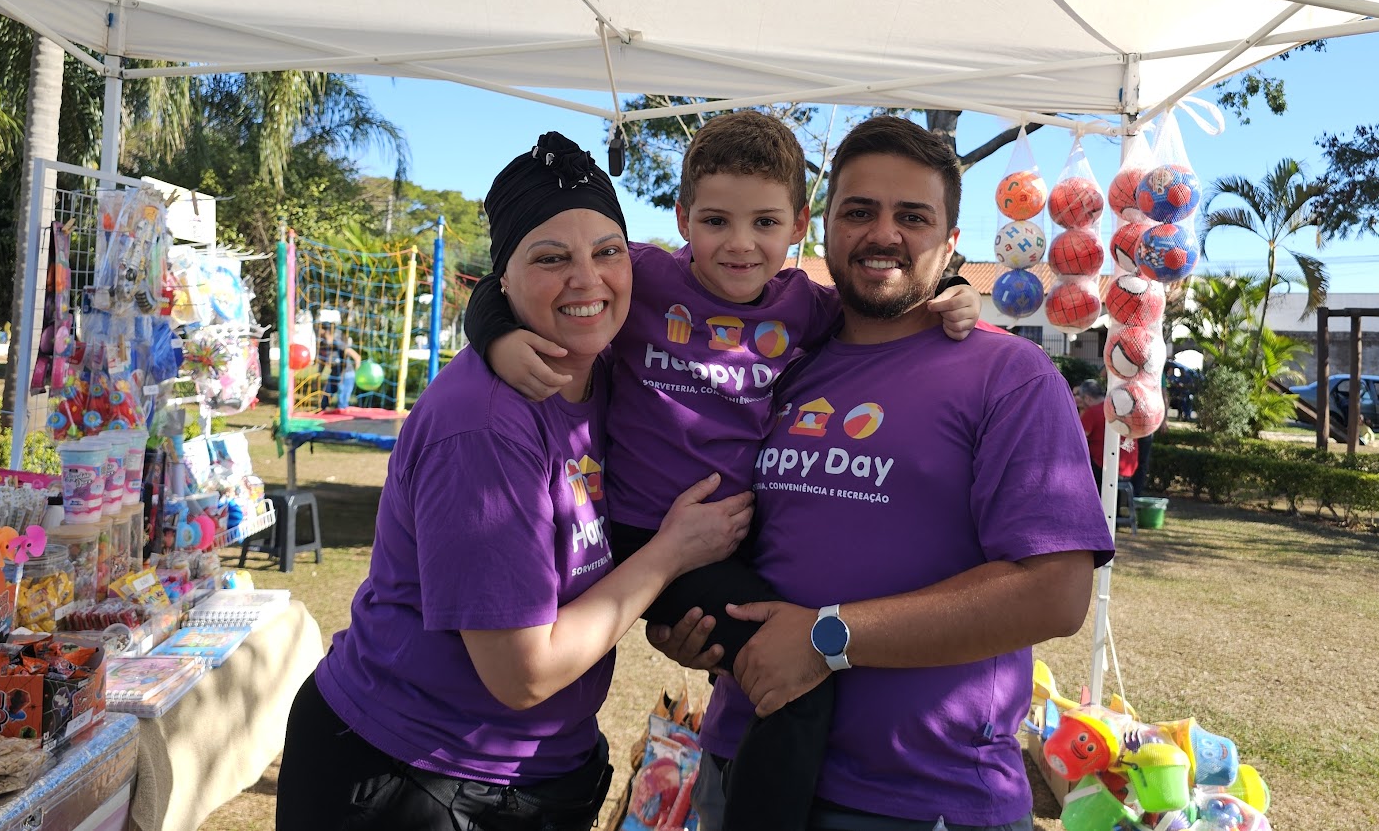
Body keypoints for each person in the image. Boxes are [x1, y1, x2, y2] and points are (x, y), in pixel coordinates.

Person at [464, 111, 984, 831]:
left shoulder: (806, 305)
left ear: (798, 225)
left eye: (765, 223)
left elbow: (889, 303)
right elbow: (509, 278)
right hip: (647, 537)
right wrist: (495, 337)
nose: (740, 245)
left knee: (779, 664)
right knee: (799, 683)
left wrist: (956, 288)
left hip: (730, 543)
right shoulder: (644, 276)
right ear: (682, 218)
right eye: (715, 221)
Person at [276, 134, 754, 831]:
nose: (587, 279)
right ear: (503, 281)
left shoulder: (610, 370)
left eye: (608, 251)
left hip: (532, 771)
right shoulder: (485, 426)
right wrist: (671, 555)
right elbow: (522, 672)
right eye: (551, 258)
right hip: (408, 774)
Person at [654, 115, 1114, 831]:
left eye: (913, 217)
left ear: (950, 242)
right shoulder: (780, 362)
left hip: (922, 796)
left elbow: (1055, 593)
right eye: (860, 211)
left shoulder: (1007, 374)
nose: (883, 234)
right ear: (823, 227)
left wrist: (826, 638)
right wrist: (696, 626)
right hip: (745, 759)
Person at [1078, 379, 1139, 494]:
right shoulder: (1121, 409)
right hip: (1128, 469)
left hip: (1104, 469)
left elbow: (1077, 439)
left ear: (1087, 398)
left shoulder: (1092, 412)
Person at [314, 309, 360, 411]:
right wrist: (319, 375)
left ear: (326, 331)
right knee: (324, 400)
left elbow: (356, 357)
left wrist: (357, 371)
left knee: (342, 403)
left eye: (320, 329)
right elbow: (322, 362)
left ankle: (342, 413)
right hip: (334, 374)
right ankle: (322, 411)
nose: (318, 331)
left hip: (346, 374)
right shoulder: (322, 345)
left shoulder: (338, 343)